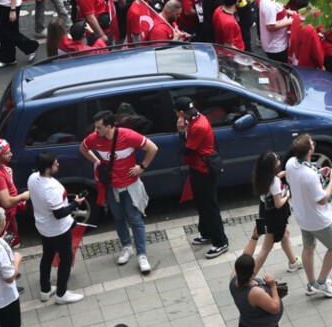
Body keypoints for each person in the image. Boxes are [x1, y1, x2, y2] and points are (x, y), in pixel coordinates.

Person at [82, 108, 160, 274]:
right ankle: (126, 247)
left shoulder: (128, 135)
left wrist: (142, 167)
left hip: (130, 185)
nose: (95, 131)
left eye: (99, 127)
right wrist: (97, 162)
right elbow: (83, 148)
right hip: (111, 186)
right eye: (95, 127)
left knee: (135, 218)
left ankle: (142, 255)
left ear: (109, 127)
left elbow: (152, 148)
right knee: (118, 217)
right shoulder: (94, 139)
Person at [285, 134, 332, 295]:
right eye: (312, 143)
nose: (314, 144)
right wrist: (331, 180)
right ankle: (321, 283)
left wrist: (319, 174)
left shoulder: (291, 163)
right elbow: (322, 199)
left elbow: (300, 179)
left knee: (309, 247)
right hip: (317, 219)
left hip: (302, 216)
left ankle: (311, 284)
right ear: (310, 150)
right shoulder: (309, 175)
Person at [27, 152, 83, 303]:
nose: (58, 164)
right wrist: (74, 204)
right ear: (47, 169)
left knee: (47, 255)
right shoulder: (52, 188)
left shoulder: (33, 178)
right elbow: (59, 213)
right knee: (66, 259)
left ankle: (45, 289)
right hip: (58, 230)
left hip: (43, 227)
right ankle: (61, 294)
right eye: (55, 163)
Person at [179, 97, 229, 257]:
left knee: (210, 206)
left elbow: (186, 150)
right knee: (201, 204)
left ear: (181, 113)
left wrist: (180, 131)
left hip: (204, 170)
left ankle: (221, 241)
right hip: (197, 168)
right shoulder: (194, 119)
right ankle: (206, 233)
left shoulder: (198, 126)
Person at [246, 151, 301, 273]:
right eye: (277, 159)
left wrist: (279, 176)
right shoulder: (274, 182)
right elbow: (278, 203)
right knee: (266, 248)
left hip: (266, 211)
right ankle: (250, 276)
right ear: (273, 165)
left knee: (285, 233)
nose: (279, 160)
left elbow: (270, 187)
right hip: (275, 216)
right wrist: (287, 194)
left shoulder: (262, 176)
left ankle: (293, 262)